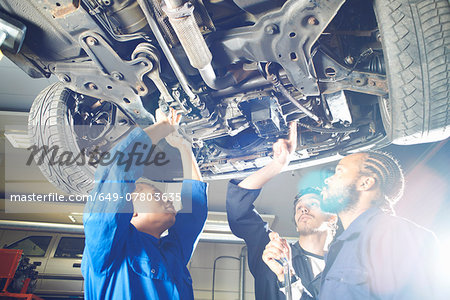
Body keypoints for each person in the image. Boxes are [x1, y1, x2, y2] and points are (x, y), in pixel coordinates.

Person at [270, 151, 444, 299]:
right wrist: (287, 276)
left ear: (365, 183)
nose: (328, 181)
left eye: (339, 172)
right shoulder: (337, 251)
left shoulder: (398, 234)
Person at [81, 109, 208, 299]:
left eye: (157, 194)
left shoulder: (164, 251)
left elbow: (118, 171)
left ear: (132, 211)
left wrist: (172, 135)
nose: (168, 199)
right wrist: (175, 137)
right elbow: (196, 214)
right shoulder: (108, 249)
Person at [226, 122, 335, 300]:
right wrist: (277, 165)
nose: (304, 209)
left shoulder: (345, 267)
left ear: (331, 216)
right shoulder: (272, 250)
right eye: (299, 207)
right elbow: (239, 208)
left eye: (313, 204)